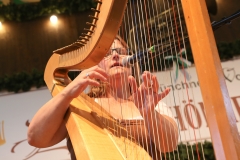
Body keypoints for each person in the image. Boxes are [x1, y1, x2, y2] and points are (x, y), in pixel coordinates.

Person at [27, 36, 179, 159]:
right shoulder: (79, 106)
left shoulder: (151, 103)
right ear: (95, 66)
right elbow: (35, 138)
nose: (115, 55)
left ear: (131, 62)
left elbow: (170, 145)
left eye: (121, 51)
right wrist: (69, 91)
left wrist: (150, 114)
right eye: (106, 54)